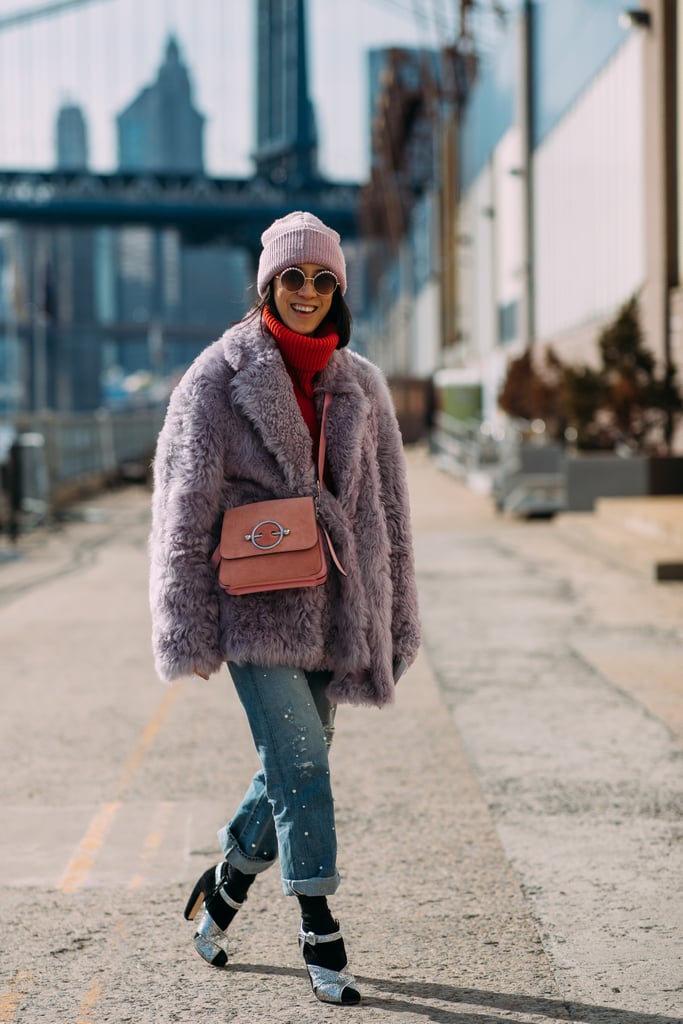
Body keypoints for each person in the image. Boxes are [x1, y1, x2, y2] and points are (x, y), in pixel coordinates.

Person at [149, 210, 420, 1006]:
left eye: (321, 279)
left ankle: (224, 887)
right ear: (267, 283)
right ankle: (317, 921)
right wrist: (184, 623)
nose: (306, 292)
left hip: (337, 610)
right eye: (291, 278)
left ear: (336, 289)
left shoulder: (361, 382)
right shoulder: (215, 376)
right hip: (256, 610)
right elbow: (182, 505)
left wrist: (392, 614)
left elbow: (391, 513)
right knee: (301, 766)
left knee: (295, 764)